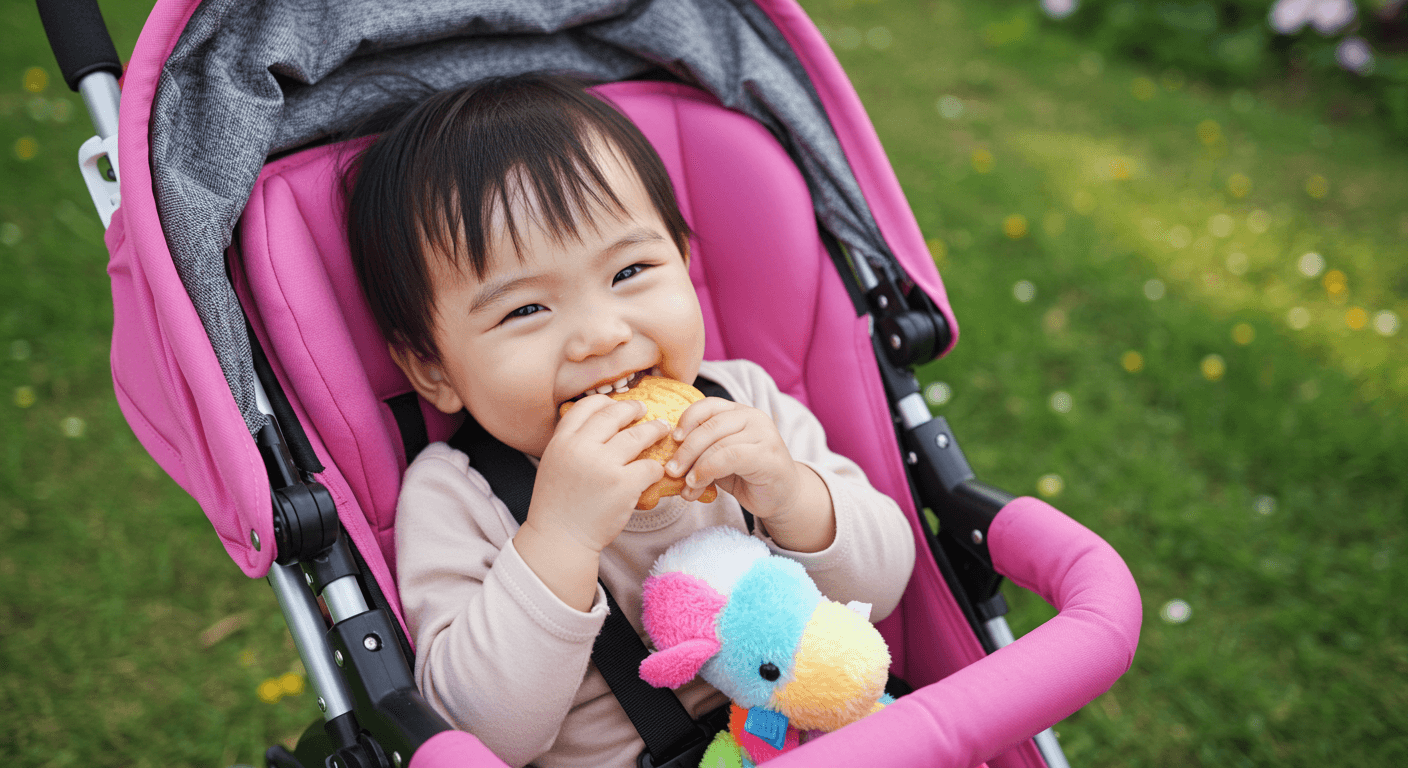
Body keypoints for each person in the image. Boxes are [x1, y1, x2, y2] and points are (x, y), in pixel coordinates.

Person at [344, 72, 916, 768]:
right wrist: (559, 535)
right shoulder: (455, 496)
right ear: (433, 369)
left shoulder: (744, 403)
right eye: (526, 310)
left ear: (683, 258)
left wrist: (793, 496)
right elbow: (480, 736)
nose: (601, 336)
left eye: (630, 271)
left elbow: (885, 589)